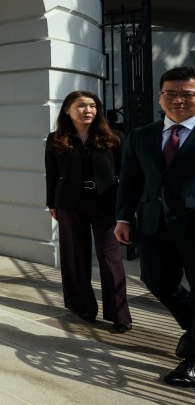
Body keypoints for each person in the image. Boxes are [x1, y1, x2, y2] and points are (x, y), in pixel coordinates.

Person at [115, 66, 195, 388]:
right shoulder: (141, 136)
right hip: (154, 223)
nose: (178, 100)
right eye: (171, 94)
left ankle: (193, 359)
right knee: (155, 279)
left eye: (187, 94)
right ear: (160, 97)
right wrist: (123, 217)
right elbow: (130, 181)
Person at [44, 90, 131, 332]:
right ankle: (82, 306)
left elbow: (125, 175)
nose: (88, 110)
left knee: (109, 257)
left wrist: (125, 209)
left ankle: (120, 315)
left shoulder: (114, 137)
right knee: (74, 256)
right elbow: (51, 174)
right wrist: (52, 203)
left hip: (106, 204)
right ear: (67, 110)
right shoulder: (55, 139)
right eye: (81, 105)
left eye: (92, 105)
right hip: (70, 204)